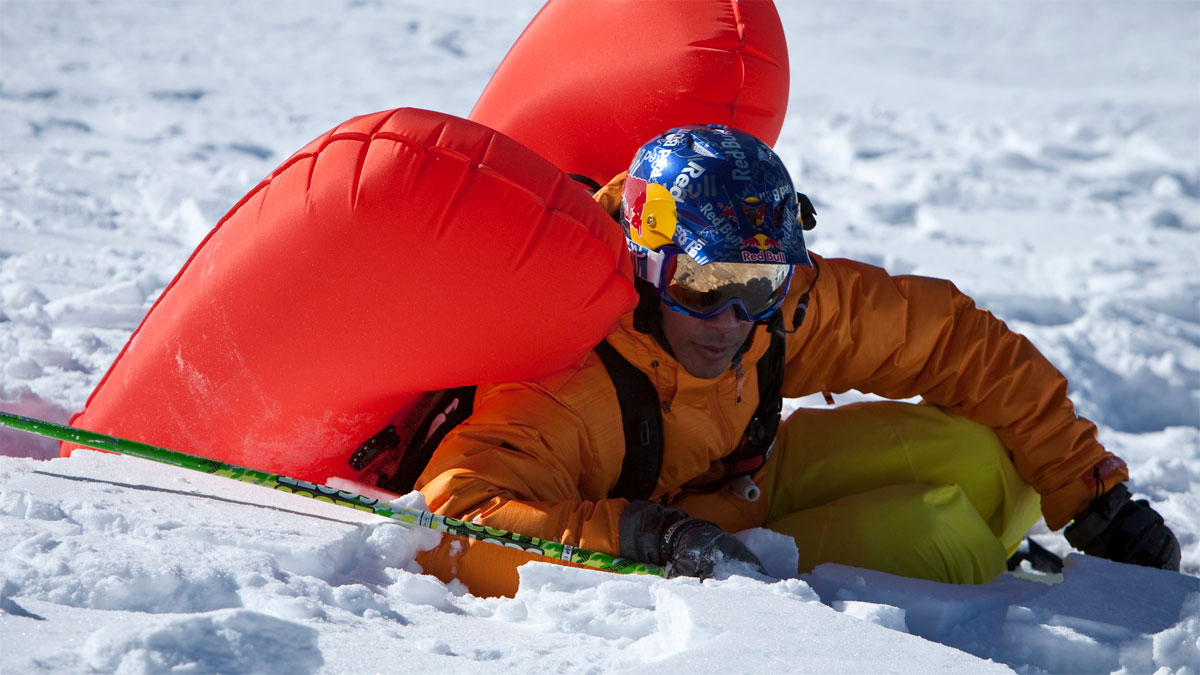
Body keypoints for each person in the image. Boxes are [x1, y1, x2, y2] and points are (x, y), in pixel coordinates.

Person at [413, 125, 1181, 597]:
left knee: (996, 463)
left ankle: (997, 547)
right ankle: (980, 575)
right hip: (674, 530)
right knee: (947, 544)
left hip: (744, 481)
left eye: (756, 284)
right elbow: (453, 511)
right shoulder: (571, 380)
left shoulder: (772, 314)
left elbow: (952, 340)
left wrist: (1093, 494)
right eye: (702, 286)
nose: (729, 321)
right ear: (648, 270)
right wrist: (649, 537)